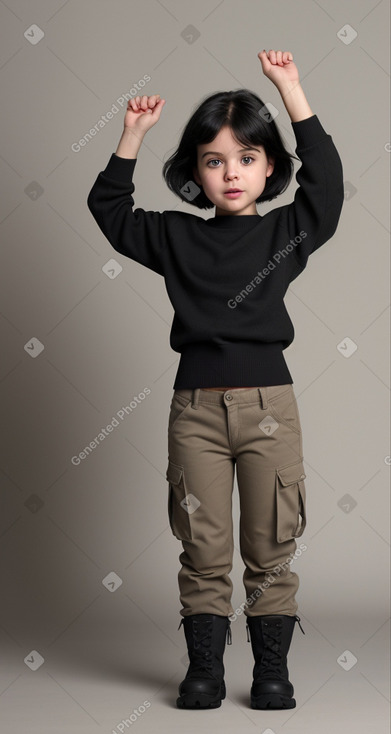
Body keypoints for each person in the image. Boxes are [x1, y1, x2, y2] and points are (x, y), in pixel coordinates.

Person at [87, 49, 344, 711]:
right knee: (201, 547)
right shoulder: (175, 237)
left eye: (247, 157)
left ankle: (270, 675)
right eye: (213, 160)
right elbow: (109, 209)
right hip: (194, 409)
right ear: (195, 174)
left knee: (270, 547)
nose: (231, 173)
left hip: (268, 406)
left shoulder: (288, 231)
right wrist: (130, 139)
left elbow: (328, 185)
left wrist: (289, 89)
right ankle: (201, 672)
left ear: (269, 167)